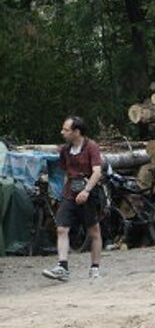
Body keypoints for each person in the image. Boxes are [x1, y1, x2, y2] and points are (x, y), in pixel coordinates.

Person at [42, 117, 103, 281]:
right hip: (69, 193)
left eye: (66, 130)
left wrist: (87, 190)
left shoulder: (91, 147)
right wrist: (61, 193)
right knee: (61, 228)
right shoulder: (65, 150)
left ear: (76, 132)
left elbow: (97, 172)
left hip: (88, 192)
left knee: (93, 231)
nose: (62, 132)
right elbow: (65, 172)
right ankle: (63, 266)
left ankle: (95, 267)